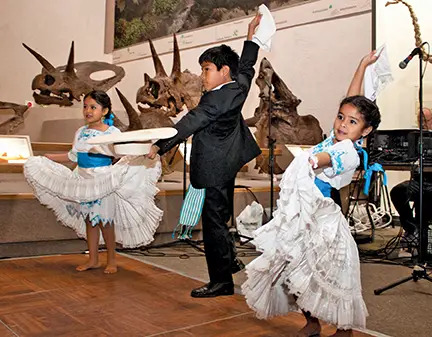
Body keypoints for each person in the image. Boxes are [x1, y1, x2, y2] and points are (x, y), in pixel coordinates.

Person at [242, 92, 381, 336]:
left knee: (334, 276)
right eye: (340, 117)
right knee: (296, 271)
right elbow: (352, 95)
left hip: (324, 220)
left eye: (352, 122)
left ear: (366, 130)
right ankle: (312, 322)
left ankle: (344, 329)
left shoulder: (349, 151)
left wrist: (313, 160)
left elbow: (329, 158)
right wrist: (362, 65)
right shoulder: (333, 139)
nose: (342, 124)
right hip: (304, 218)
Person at [147, 14, 263, 298]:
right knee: (219, 218)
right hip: (226, 162)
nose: (202, 75)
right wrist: (251, 38)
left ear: (224, 71)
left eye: (206, 69)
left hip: (214, 166)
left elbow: (192, 121)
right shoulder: (238, 86)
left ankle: (221, 282)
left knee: (213, 224)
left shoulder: (218, 98)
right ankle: (229, 260)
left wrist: (160, 145)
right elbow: (247, 67)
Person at [24, 90, 163, 274]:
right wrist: (49, 157)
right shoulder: (80, 132)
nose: (88, 111)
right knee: (90, 220)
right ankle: (93, 259)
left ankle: (112, 259)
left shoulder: (112, 132)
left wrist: (140, 151)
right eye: (85, 107)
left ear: (104, 111)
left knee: (105, 221)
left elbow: (121, 152)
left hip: (102, 180)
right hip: (83, 180)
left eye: (93, 107)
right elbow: (73, 155)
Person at [390, 107, 432, 244]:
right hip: (419, 181)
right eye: (420, 120)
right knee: (398, 192)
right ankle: (411, 229)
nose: (423, 123)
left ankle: (422, 234)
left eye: (426, 120)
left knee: (424, 198)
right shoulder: (415, 137)